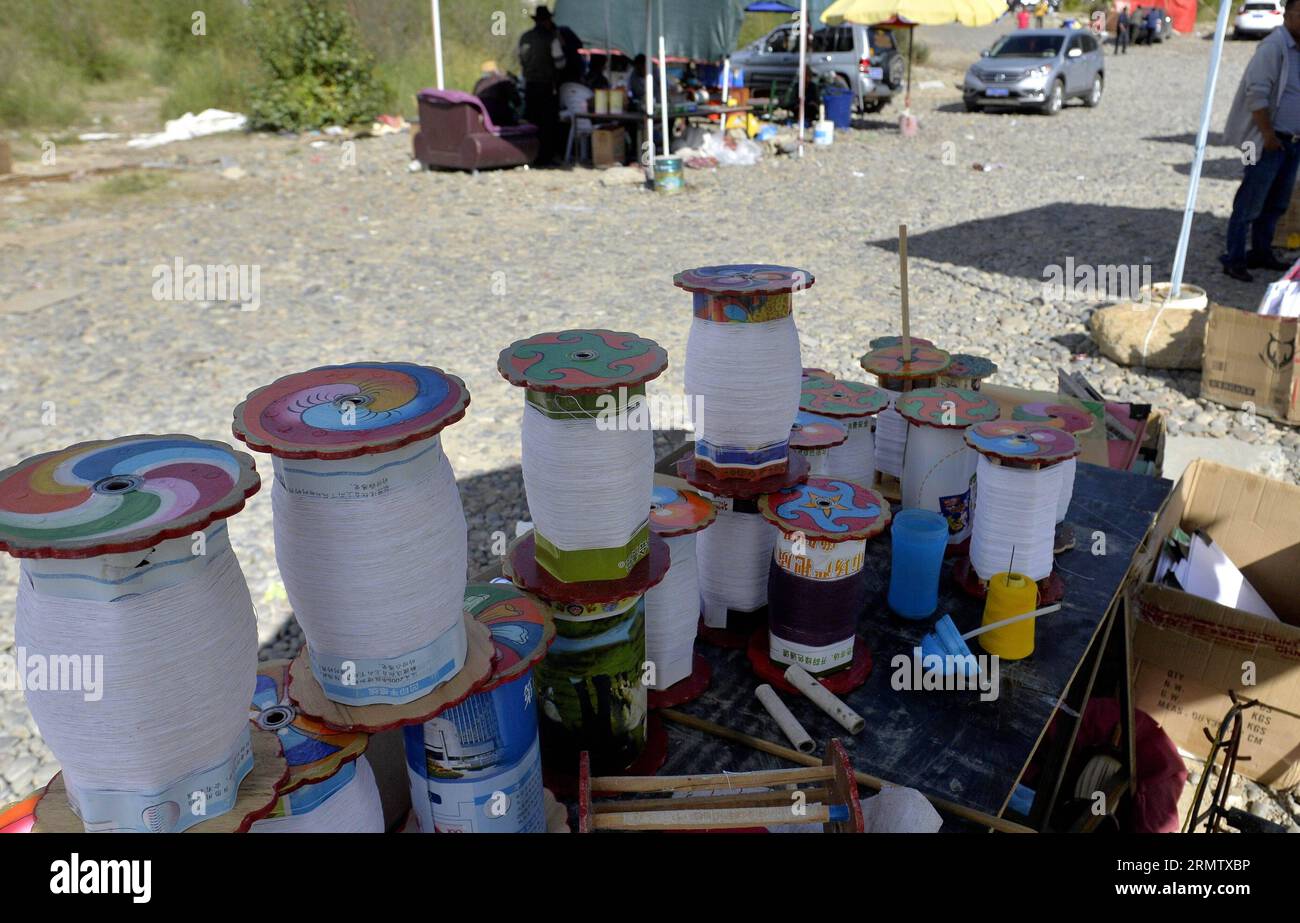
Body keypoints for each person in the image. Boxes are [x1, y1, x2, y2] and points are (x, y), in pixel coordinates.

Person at [1221, 0, 1300, 281]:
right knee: (1249, 200)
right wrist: (1267, 134)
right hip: (1261, 140)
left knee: (1277, 202)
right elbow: (1257, 95)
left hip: (1291, 141)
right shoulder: (1273, 47)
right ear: (1288, 14)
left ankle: (1261, 251)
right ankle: (1234, 257)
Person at [518, 6, 566, 164]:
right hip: (547, 87)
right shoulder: (551, 38)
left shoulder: (525, 37)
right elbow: (560, 64)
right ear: (547, 21)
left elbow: (522, 59)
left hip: (530, 85)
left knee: (532, 120)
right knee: (548, 123)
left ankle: (530, 155)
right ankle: (546, 156)